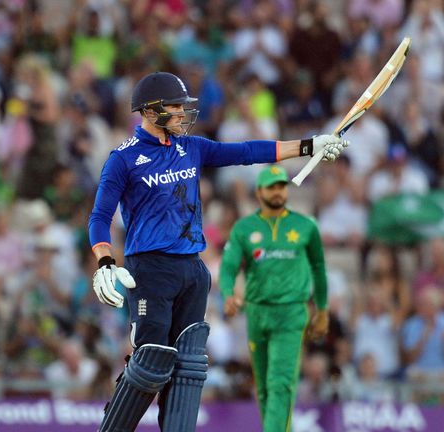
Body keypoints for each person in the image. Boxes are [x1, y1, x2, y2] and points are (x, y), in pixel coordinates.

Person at [88, 71, 347, 432]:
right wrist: (104, 261)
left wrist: (307, 146)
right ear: (149, 111)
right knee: (151, 363)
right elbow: (100, 216)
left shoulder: (190, 147)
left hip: (192, 269)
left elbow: (246, 152)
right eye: (174, 106)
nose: (182, 112)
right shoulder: (123, 159)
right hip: (149, 270)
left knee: (189, 365)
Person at [218, 165, 329, 432]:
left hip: (291, 312)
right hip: (256, 312)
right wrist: (228, 293)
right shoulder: (244, 228)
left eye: (282, 186)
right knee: (266, 387)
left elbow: (318, 268)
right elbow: (229, 267)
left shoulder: (305, 226)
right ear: (259, 192)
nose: (278, 192)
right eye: (272, 187)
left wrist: (322, 309)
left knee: (280, 382)